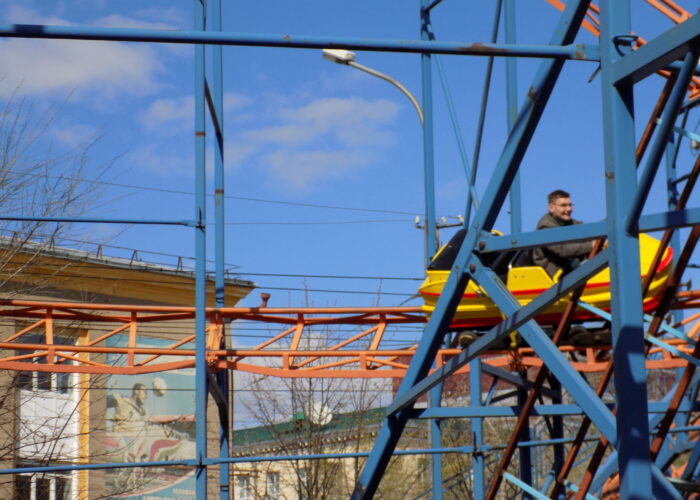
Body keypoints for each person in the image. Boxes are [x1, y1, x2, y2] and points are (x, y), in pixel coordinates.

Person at [532, 189, 593, 278]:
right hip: (556, 274)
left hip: (570, 266)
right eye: (563, 205)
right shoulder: (545, 226)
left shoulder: (570, 222)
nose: (569, 209)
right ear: (551, 208)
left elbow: (587, 230)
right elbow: (562, 250)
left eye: (570, 205)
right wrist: (592, 245)